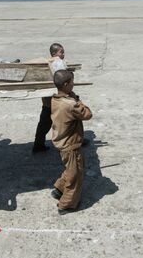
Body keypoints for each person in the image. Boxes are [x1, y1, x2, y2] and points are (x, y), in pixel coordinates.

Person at [50, 69, 92, 214]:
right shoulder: (70, 104)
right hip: (70, 145)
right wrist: (76, 99)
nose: (74, 84)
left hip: (61, 142)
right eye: (72, 82)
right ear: (67, 84)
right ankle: (66, 204)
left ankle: (59, 189)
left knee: (70, 169)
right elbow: (87, 114)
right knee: (76, 176)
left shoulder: (55, 98)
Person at [32, 43, 67, 153]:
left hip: (48, 102)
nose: (63, 54)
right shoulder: (56, 63)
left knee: (44, 124)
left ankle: (38, 145)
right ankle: (73, 142)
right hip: (55, 100)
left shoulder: (48, 63)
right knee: (68, 121)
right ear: (54, 53)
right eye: (61, 52)